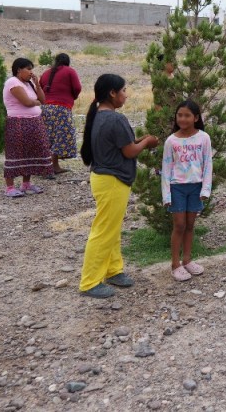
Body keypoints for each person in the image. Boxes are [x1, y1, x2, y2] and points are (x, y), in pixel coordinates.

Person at [79, 74, 159, 298]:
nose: (126, 95)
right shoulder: (116, 119)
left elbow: (120, 145)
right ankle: (89, 282)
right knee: (104, 231)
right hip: (113, 181)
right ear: (112, 93)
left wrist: (139, 141)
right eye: (123, 90)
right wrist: (147, 142)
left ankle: (113, 270)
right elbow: (130, 151)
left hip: (103, 178)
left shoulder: (98, 116)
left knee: (111, 228)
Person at [161, 100, 213, 282]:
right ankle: (175, 264)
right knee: (179, 225)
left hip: (196, 187)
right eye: (180, 115)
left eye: (187, 115)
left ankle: (187, 260)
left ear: (196, 118)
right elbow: (166, 169)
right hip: (177, 188)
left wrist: (206, 189)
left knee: (190, 225)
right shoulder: (171, 141)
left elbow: (208, 164)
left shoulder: (204, 138)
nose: (182, 119)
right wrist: (166, 195)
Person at [2, 58, 53, 197]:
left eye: (32, 69)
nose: (31, 72)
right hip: (18, 123)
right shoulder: (13, 82)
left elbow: (43, 100)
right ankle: (10, 187)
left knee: (31, 152)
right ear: (19, 69)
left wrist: (37, 85)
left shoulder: (29, 84)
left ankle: (26, 184)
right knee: (15, 153)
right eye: (28, 69)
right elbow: (27, 102)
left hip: (34, 122)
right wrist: (36, 102)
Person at [39, 53, 82, 176]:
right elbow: (77, 88)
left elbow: (40, 88)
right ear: (67, 61)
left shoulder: (46, 73)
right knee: (60, 137)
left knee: (48, 137)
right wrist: (72, 96)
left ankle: (47, 166)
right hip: (61, 109)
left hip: (45, 108)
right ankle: (53, 167)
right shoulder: (69, 71)